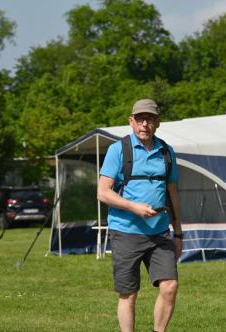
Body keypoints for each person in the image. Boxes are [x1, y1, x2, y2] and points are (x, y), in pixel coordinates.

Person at [97, 99, 183, 332]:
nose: (145, 124)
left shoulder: (166, 152)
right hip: (126, 232)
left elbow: (172, 194)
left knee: (170, 286)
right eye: (140, 119)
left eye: (150, 119)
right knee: (129, 294)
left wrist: (179, 234)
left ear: (158, 123)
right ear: (131, 121)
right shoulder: (118, 150)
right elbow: (102, 193)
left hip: (160, 233)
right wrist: (134, 207)